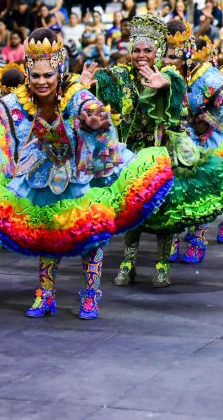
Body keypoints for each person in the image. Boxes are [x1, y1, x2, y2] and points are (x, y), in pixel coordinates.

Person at [0, 28, 172, 319]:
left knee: (89, 233)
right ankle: (45, 294)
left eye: (48, 75)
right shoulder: (18, 99)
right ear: (28, 75)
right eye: (35, 76)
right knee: (47, 233)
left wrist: (94, 122)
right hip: (41, 176)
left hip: (77, 174)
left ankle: (91, 294)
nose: (41, 82)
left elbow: (91, 109)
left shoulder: (75, 94)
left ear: (59, 71)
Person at [85, 15, 223, 288]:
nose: (141, 56)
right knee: (132, 206)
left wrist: (166, 88)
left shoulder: (169, 75)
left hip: (161, 151)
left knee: (163, 211)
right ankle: (128, 261)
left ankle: (161, 264)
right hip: (132, 154)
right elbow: (101, 87)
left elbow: (179, 110)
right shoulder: (122, 76)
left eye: (148, 50)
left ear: (158, 51)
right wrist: (87, 84)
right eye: (136, 50)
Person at [163, 28, 223, 261]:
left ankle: (198, 238)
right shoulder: (165, 75)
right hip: (177, 139)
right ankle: (173, 240)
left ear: (187, 56)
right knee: (175, 192)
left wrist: (203, 122)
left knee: (201, 191)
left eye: (173, 57)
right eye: (166, 56)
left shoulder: (210, 78)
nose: (168, 61)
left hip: (207, 139)